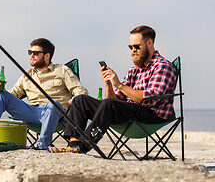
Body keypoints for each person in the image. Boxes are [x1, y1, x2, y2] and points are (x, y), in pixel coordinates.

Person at [53, 25, 177, 153]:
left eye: (136, 46)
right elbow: (113, 100)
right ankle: (73, 143)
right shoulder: (134, 70)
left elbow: (149, 99)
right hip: (130, 112)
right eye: (131, 47)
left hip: (151, 115)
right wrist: (109, 84)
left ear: (149, 43)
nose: (133, 50)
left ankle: (84, 145)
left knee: (109, 104)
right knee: (80, 100)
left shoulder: (162, 66)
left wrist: (120, 85)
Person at [0, 38, 88, 150]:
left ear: (47, 56)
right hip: (31, 112)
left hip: (55, 114)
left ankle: (42, 144)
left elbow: (80, 90)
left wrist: (75, 99)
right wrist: (1, 88)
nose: (31, 55)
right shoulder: (26, 75)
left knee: (53, 103)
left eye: (35, 53)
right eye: (30, 52)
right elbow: (13, 94)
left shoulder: (62, 70)